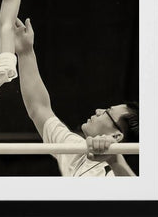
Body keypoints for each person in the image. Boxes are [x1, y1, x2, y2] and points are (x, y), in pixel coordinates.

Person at [14, 17, 139, 177]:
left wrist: (115, 160)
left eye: (107, 111)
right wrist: (25, 52)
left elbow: (138, 192)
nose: (98, 110)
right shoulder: (76, 150)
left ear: (116, 136)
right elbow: (39, 108)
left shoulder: (114, 176)